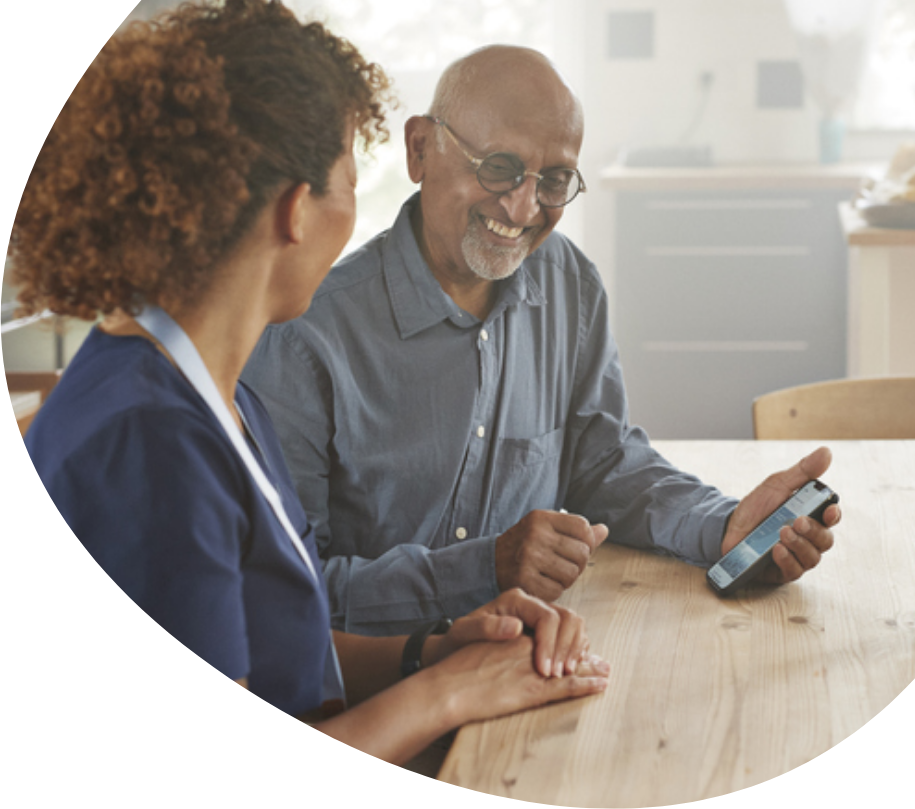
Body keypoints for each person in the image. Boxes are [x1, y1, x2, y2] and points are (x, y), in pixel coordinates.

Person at [12, 0, 609, 766]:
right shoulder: (148, 450)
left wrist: (431, 647)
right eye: (351, 180)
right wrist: (447, 692)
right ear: (297, 210)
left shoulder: (215, 394)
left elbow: (267, 637)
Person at [241, 44, 841, 636]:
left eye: (554, 180)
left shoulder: (569, 284)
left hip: (538, 657)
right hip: (381, 693)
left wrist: (724, 525)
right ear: (420, 148)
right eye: (498, 166)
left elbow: (604, 463)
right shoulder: (303, 337)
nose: (524, 206)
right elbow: (288, 593)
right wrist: (481, 569)